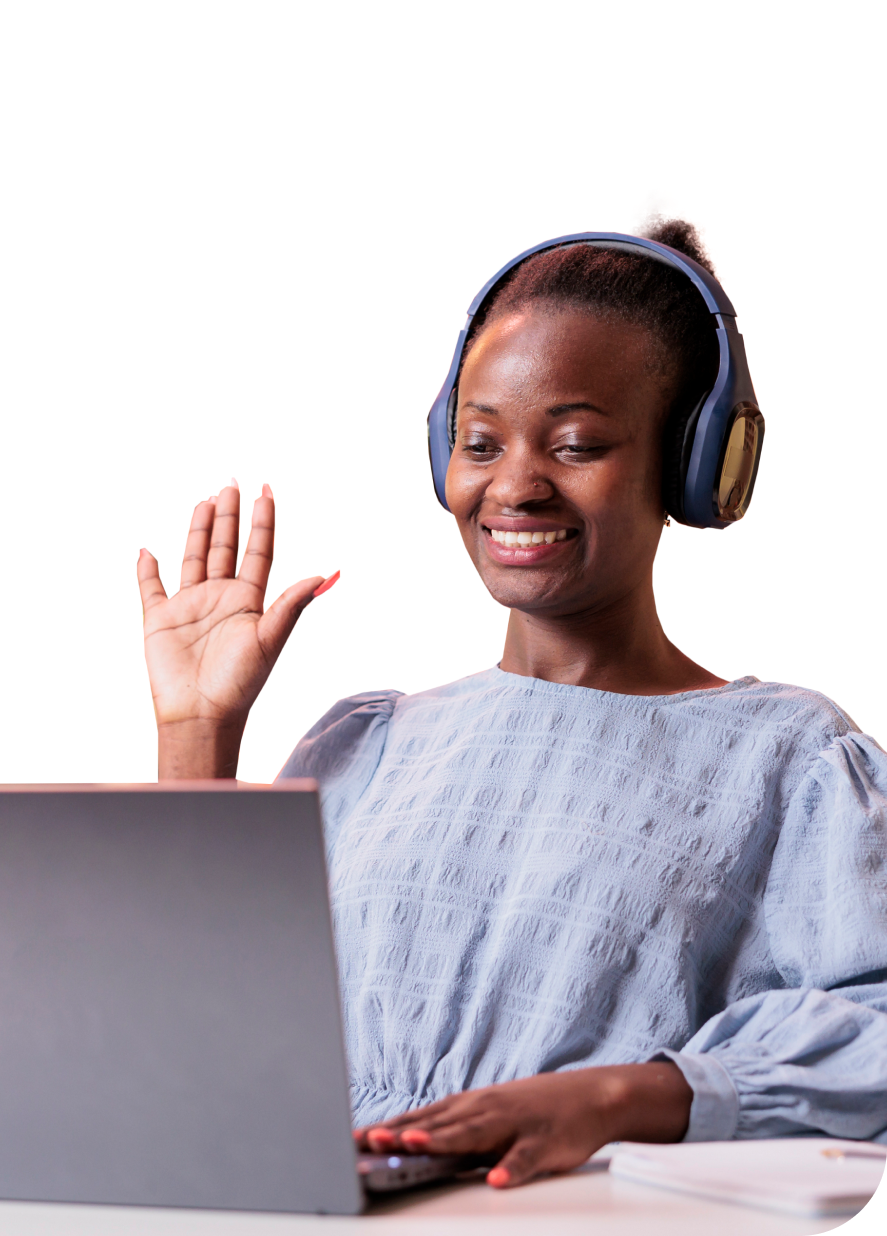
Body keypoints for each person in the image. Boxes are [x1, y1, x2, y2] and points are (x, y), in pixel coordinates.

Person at [133, 192, 887, 1188]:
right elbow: (189, 1030)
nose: (515, 485)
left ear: (693, 463)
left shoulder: (789, 755)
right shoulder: (370, 745)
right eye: (481, 442)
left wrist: (623, 1098)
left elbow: (875, 1026)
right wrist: (197, 737)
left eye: (574, 445)